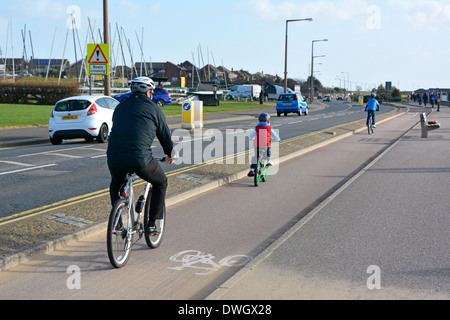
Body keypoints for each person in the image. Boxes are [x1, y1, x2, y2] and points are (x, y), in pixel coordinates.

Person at [107, 76, 176, 235]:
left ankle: (117, 220)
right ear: (149, 93)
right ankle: (152, 224)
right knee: (161, 182)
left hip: (114, 157)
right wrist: (170, 154)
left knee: (117, 183)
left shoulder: (120, 107)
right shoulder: (154, 109)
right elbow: (164, 136)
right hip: (140, 159)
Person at [247, 112, 281, 177]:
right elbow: (274, 135)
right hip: (265, 144)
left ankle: (252, 169)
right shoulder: (269, 127)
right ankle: (269, 161)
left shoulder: (257, 127)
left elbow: (251, 135)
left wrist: (251, 138)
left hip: (256, 145)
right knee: (268, 152)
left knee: (255, 157)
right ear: (268, 120)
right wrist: (278, 139)